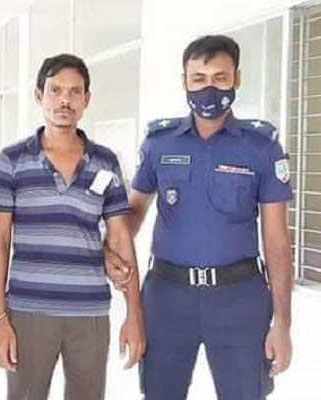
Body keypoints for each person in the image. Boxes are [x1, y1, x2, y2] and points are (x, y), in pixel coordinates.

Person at [106, 35, 293, 400]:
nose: (209, 89)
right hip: (167, 298)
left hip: (239, 300)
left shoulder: (261, 147)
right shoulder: (159, 143)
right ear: (184, 82)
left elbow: (276, 241)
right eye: (199, 79)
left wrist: (282, 323)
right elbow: (132, 213)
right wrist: (108, 249)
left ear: (237, 78)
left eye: (220, 78)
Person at [0, 53, 145, 400]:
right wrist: (0, 321)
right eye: (55, 90)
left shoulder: (105, 161)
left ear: (87, 99)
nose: (65, 100)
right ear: (39, 95)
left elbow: (120, 237)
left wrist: (134, 314)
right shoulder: (12, 160)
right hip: (28, 311)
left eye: (75, 92)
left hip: (90, 312)